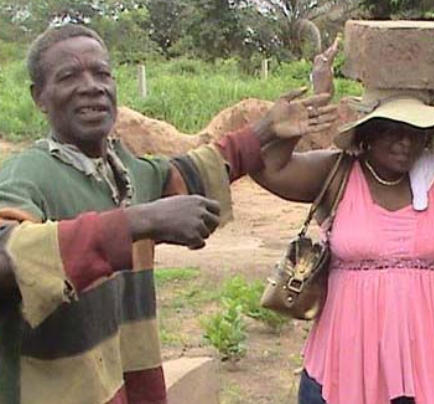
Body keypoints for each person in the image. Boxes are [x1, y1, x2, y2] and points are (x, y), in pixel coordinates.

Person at [0, 24, 338, 404]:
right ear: (39, 97)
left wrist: (265, 130)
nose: (91, 85)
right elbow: (4, 257)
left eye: (102, 73)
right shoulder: (28, 176)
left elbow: (191, 172)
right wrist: (141, 221)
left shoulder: (123, 171)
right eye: (69, 76)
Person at [251, 87, 434, 403]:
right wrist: (290, 128)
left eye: (415, 132)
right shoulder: (337, 172)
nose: (404, 142)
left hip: (424, 359)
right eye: (392, 130)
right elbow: (269, 169)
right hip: (346, 356)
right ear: (368, 133)